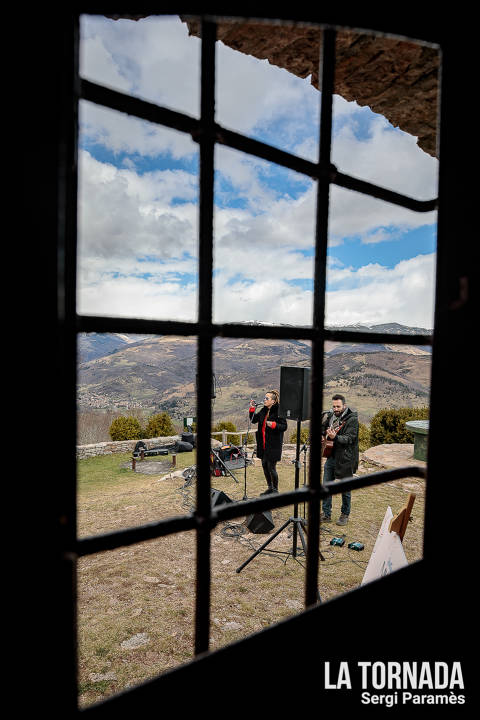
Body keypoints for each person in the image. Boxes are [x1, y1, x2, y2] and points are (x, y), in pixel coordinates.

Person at [320, 394, 359, 526]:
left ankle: (345, 514)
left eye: (338, 406)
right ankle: (326, 514)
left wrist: (335, 437)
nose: (335, 409)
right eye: (334, 406)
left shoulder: (352, 420)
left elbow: (350, 439)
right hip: (331, 455)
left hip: (346, 458)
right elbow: (324, 428)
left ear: (344, 406)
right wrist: (323, 436)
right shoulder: (331, 416)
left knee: (345, 488)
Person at [249, 390, 287, 494]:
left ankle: (275, 490)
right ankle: (270, 488)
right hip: (263, 444)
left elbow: (284, 426)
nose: (264, 400)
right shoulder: (263, 410)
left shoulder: (279, 411)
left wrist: (274, 425)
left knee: (271, 468)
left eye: (267, 398)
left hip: (273, 445)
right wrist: (252, 408)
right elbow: (253, 420)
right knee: (264, 465)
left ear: (273, 401)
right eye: (264, 398)